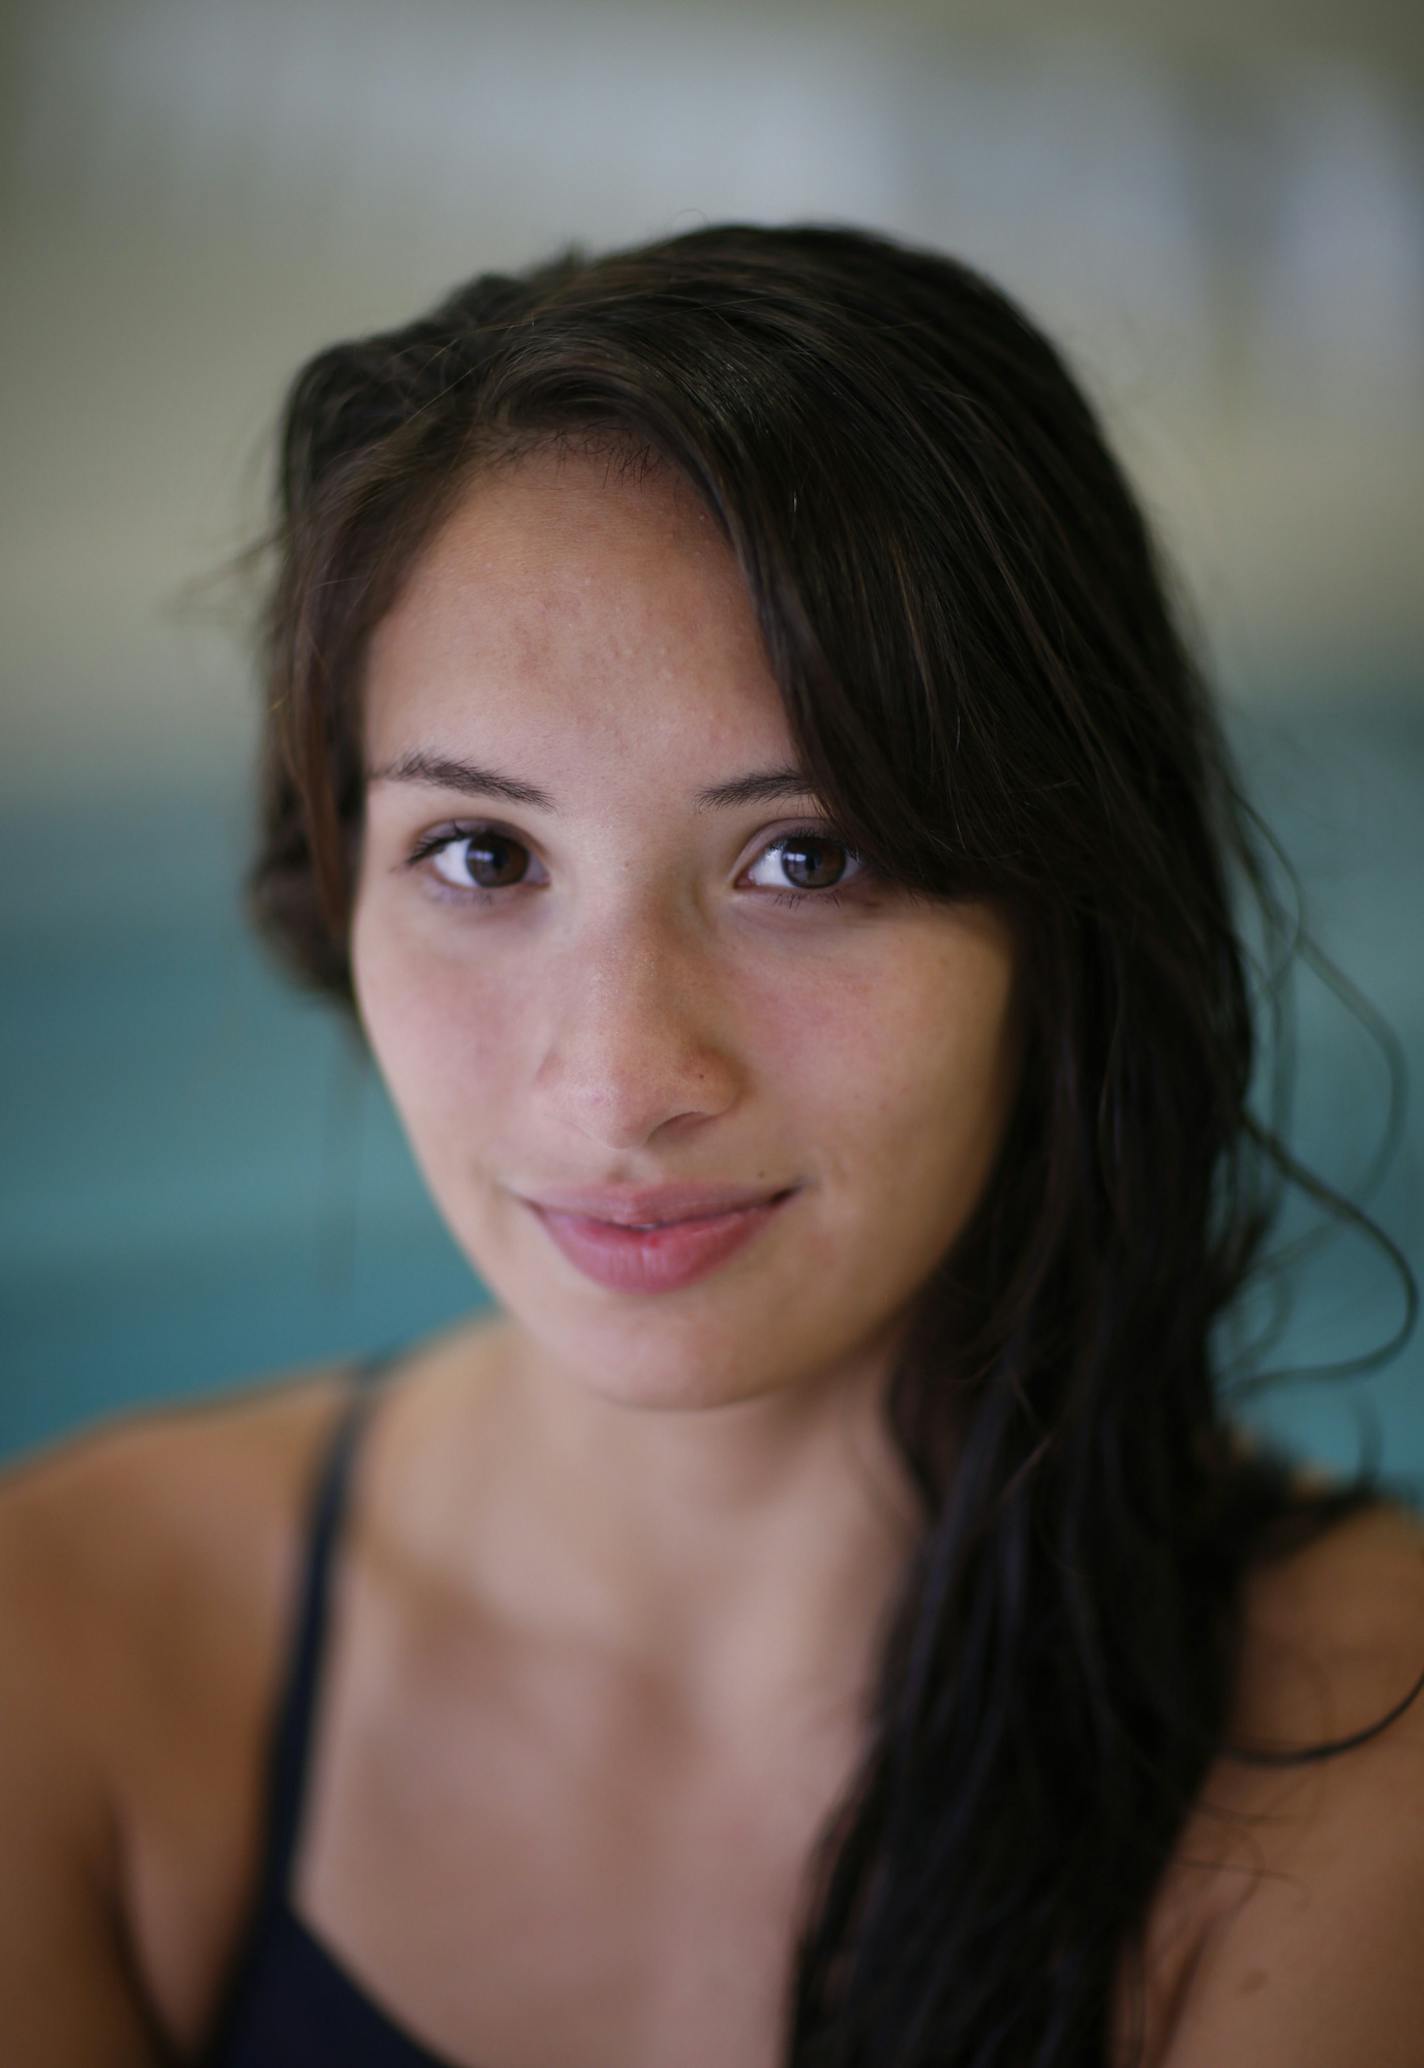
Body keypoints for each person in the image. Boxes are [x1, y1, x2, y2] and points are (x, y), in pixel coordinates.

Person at [1, 221, 1421, 2068]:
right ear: (332, 878)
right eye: (481, 856)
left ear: (1063, 908)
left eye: (805, 858)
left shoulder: (1366, 1738)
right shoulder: (74, 1657)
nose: (616, 1085)